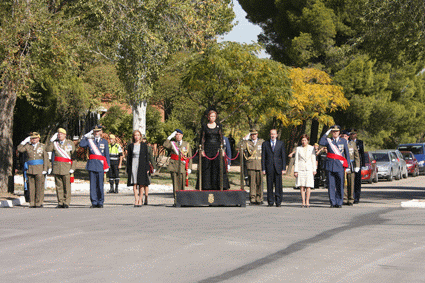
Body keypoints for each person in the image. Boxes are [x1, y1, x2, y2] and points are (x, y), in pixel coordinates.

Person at [319, 125, 351, 208]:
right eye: (333, 131)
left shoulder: (343, 141)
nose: (335, 133)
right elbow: (321, 142)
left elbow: (346, 154)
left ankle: (339, 202)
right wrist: (327, 132)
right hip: (330, 166)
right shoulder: (328, 140)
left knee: (340, 184)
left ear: (339, 132)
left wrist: (348, 167)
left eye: (336, 131)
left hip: (340, 166)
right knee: (331, 185)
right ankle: (332, 202)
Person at [79, 125, 110, 208]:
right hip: (92, 165)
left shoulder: (104, 142)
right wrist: (85, 136)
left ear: (101, 132)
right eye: (95, 131)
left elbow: (107, 154)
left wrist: (107, 166)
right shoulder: (90, 141)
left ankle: (100, 202)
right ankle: (94, 202)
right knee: (92, 185)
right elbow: (81, 144)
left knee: (100, 185)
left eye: (98, 131)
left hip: (100, 165)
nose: (96, 133)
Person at [198, 109, 230, 190]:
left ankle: (220, 186)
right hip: (207, 148)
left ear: (216, 117)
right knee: (207, 167)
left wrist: (222, 150)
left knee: (218, 167)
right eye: (211, 116)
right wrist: (202, 150)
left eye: (214, 116)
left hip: (217, 149)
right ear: (208, 117)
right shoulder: (204, 126)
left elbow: (221, 138)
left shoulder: (219, 126)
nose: (212, 118)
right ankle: (206, 186)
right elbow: (202, 139)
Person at [18, 132, 49, 208]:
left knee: (39, 187)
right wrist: (24, 142)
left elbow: (46, 158)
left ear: (38, 138)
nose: (33, 140)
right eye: (32, 138)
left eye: (35, 138)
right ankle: (32, 202)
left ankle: (39, 202)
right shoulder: (28, 146)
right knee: (31, 187)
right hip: (30, 168)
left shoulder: (43, 146)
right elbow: (19, 149)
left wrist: (45, 168)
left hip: (40, 168)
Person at [47, 128, 76, 208]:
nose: (59, 135)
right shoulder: (55, 143)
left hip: (67, 168)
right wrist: (51, 141)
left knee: (67, 187)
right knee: (59, 186)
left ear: (65, 135)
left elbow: (74, 157)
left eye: (61, 134)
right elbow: (47, 149)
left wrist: (72, 168)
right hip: (57, 167)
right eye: (58, 134)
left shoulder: (70, 143)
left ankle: (66, 202)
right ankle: (60, 202)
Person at [163, 129, 192, 198]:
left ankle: (182, 198)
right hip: (174, 166)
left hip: (183, 166)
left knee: (182, 183)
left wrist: (189, 168)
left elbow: (189, 157)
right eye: (176, 135)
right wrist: (169, 137)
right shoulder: (172, 143)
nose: (177, 136)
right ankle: (176, 199)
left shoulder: (186, 144)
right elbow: (165, 145)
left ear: (182, 135)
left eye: (179, 134)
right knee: (175, 184)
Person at [261, 129, 286, 207]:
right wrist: (263, 169)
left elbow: (283, 157)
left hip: (278, 167)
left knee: (278, 186)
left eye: (274, 134)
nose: (272, 135)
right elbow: (263, 157)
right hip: (269, 167)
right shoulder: (265, 144)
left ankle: (278, 201)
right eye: (271, 134)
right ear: (270, 135)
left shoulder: (280, 143)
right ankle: (270, 201)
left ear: (276, 135)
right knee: (269, 185)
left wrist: (284, 168)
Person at [127, 130, 151, 207]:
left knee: (141, 183)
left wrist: (147, 167)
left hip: (142, 165)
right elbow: (129, 158)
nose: (136, 137)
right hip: (133, 165)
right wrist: (128, 168)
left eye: (138, 135)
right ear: (133, 137)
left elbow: (147, 157)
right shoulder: (131, 146)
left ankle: (141, 199)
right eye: (135, 135)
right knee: (134, 183)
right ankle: (136, 199)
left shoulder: (144, 145)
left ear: (140, 136)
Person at [241, 128, 264, 205]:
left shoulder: (262, 142)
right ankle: (253, 198)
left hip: (259, 164)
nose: (253, 136)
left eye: (255, 134)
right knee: (252, 183)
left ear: (257, 134)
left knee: (260, 182)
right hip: (251, 164)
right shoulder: (247, 142)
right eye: (252, 134)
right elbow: (239, 147)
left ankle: (259, 198)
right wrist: (244, 139)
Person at [294, 134, 316, 208]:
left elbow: (313, 159)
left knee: (308, 186)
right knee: (302, 186)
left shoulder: (311, 148)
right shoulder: (298, 149)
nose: (303, 142)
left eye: (305, 140)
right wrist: (295, 170)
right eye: (302, 140)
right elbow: (296, 160)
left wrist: (314, 169)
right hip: (301, 169)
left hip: (309, 169)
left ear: (307, 141)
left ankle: (307, 201)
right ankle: (303, 201)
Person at [341, 130, 360, 206]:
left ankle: (351, 199)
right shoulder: (340, 144)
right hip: (343, 165)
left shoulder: (352, 144)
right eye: (342, 136)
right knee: (344, 183)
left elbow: (356, 156)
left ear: (348, 136)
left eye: (345, 136)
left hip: (351, 165)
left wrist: (357, 166)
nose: (344, 138)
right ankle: (344, 199)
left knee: (351, 183)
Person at [350, 129, 365, 204]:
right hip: (351, 164)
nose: (352, 135)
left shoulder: (360, 142)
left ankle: (357, 197)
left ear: (356, 134)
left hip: (358, 164)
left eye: (354, 134)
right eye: (351, 134)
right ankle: (350, 197)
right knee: (350, 181)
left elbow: (362, 153)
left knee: (357, 182)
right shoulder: (348, 142)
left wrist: (363, 164)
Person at [142, 134, 156, 205]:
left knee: (146, 183)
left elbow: (151, 158)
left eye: (144, 139)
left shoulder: (148, 148)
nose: (143, 140)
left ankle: (146, 199)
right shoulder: (138, 146)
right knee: (140, 184)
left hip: (147, 166)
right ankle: (140, 198)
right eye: (142, 139)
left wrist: (154, 167)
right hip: (140, 166)